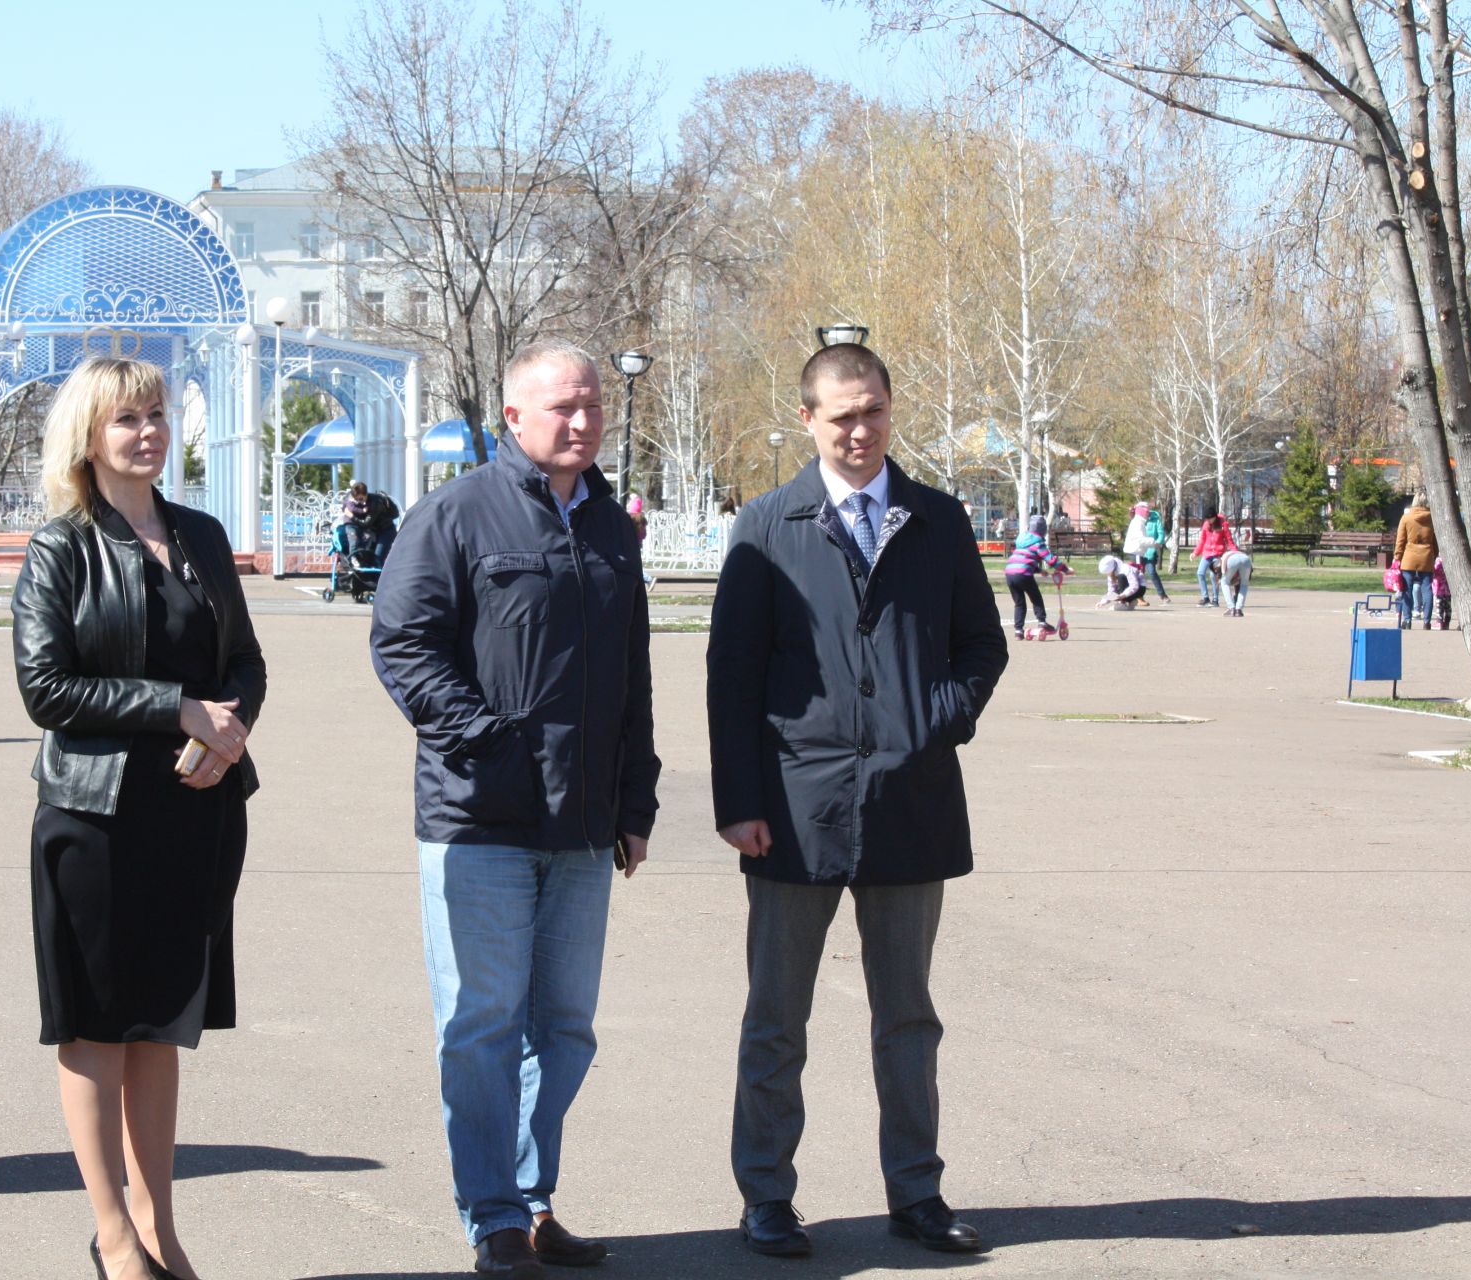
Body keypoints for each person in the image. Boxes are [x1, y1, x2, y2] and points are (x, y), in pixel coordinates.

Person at [707, 343, 1008, 1260]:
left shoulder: (938, 521)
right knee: (776, 1019)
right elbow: (732, 675)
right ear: (807, 419)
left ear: (890, 409)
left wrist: (934, 722)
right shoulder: (767, 524)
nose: (859, 429)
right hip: (794, 811)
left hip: (911, 803)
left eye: (873, 409)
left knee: (908, 1018)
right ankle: (766, 1198)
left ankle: (915, 1193)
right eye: (840, 414)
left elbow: (980, 647)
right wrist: (738, 803)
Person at [370, 340, 660, 1278]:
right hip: (480, 820)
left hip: (583, 825)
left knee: (565, 1026)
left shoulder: (614, 527)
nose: (581, 421)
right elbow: (404, 646)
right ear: (513, 418)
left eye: (592, 406)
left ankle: (535, 1202)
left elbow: (633, 677)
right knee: (484, 1024)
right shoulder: (454, 514)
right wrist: (488, 740)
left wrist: (635, 797)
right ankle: (493, 1213)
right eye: (562, 407)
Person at [11, 357, 265, 1280]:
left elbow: (245, 663)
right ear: (88, 435)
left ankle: (161, 1229)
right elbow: (46, 688)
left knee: (163, 1025)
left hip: (195, 812)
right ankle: (112, 1233)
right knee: (97, 1028)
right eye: (126, 419)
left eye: (157, 414)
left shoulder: (199, 534)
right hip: (93, 818)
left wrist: (227, 729)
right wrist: (176, 710)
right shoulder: (61, 547)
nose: (147, 432)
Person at [1003, 513, 1070, 638]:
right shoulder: (1038, 542)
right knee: (1036, 598)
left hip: (1010, 573)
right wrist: (1065, 569)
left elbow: (1023, 559)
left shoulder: (1021, 541)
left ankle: (1018, 630)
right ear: (1043, 530)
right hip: (1023, 574)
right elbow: (1050, 560)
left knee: (1019, 603)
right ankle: (1042, 621)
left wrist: (1039, 570)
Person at [1393, 492, 1438, 630]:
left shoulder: (1406, 518)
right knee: (1427, 589)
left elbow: (1400, 540)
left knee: (1407, 588)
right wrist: (1434, 555)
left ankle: (1407, 620)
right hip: (1426, 555)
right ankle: (1427, 621)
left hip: (1409, 556)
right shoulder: (1432, 518)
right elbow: (1435, 540)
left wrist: (1397, 557)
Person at [1193, 512, 1239, 607]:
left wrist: (1235, 552)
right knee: (1200, 573)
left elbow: (1229, 540)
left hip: (1218, 554)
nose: (1208, 521)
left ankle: (1215, 599)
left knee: (1213, 576)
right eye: (1207, 519)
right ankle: (1205, 598)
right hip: (1207, 553)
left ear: (1215, 517)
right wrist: (1195, 552)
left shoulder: (1223, 524)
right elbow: (1202, 540)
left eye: (1210, 519)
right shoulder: (1206, 525)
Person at [1142, 504, 1170, 602]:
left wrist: (1158, 542)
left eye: (1146, 510)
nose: (1145, 513)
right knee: (1137, 575)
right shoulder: (1137, 521)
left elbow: (1161, 534)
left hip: (1150, 551)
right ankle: (1138, 597)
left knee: (1152, 573)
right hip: (1139, 551)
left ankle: (1162, 595)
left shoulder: (1155, 520)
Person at [1122, 501, 1155, 579]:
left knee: (1138, 575)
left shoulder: (1139, 522)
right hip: (1135, 553)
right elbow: (1140, 540)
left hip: (1137, 553)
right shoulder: (1138, 523)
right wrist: (1153, 542)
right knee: (1137, 576)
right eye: (1147, 511)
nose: (1149, 513)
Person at [1217, 549, 1253, 616]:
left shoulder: (1224, 556)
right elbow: (1251, 570)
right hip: (1247, 560)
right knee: (1244, 584)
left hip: (1232, 561)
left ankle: (1231, 608)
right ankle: (1238, 610)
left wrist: (1222, 578)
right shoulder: (1241, 553)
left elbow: (1223, 571)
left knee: (1224, 583)